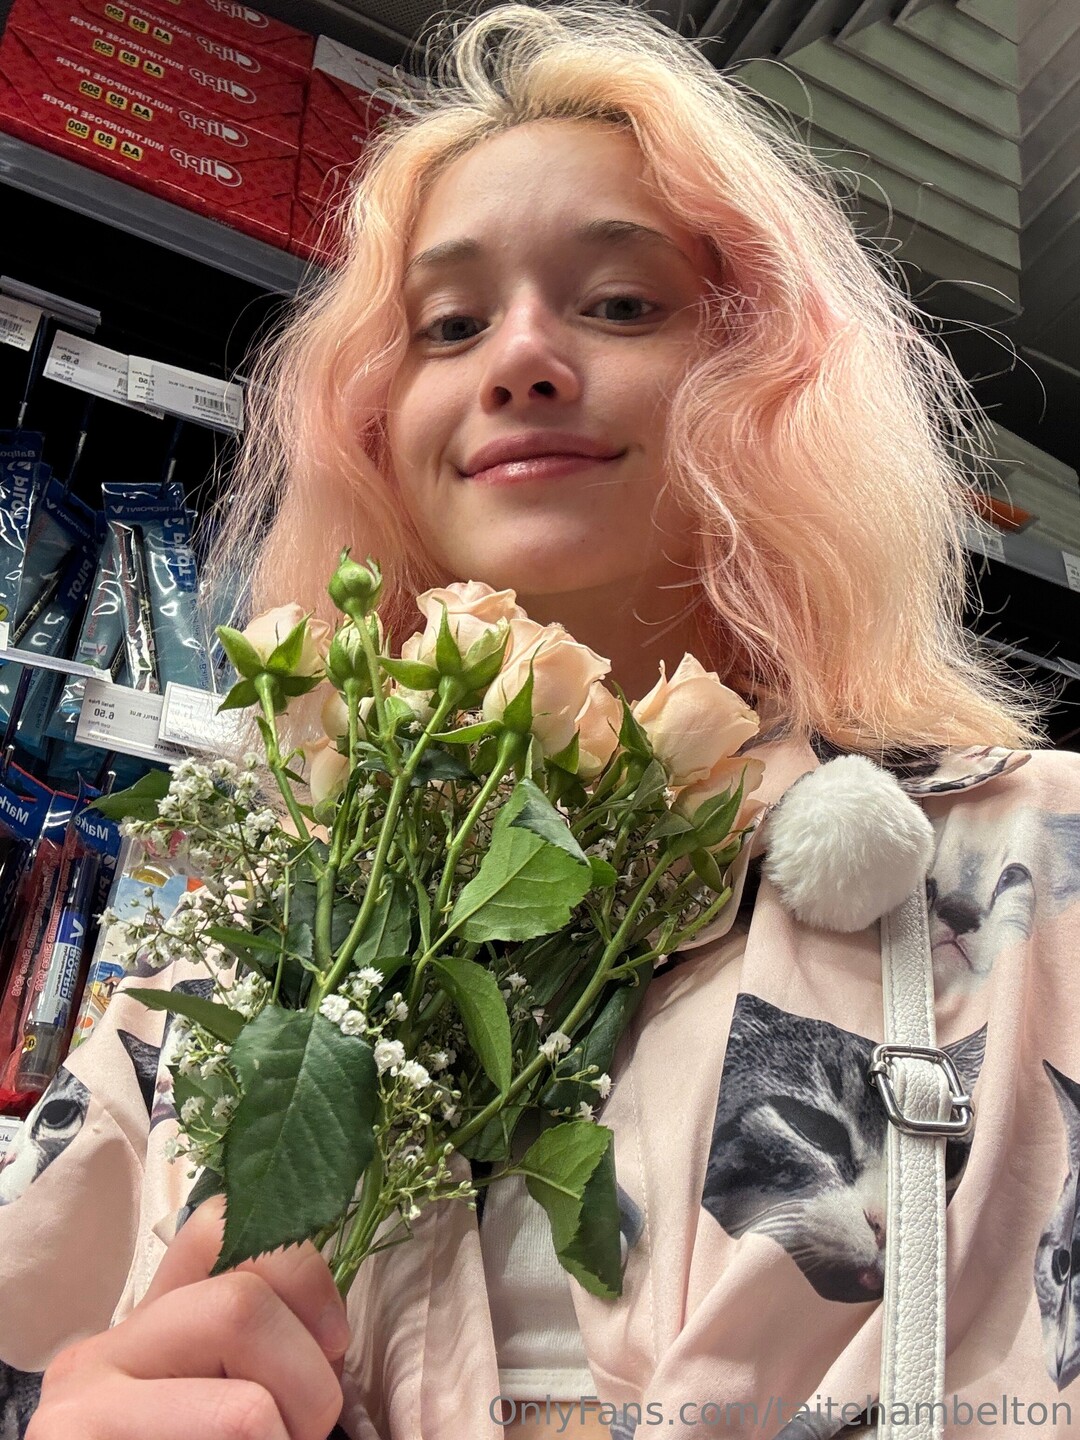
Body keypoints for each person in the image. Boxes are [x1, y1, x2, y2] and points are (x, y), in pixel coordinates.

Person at [4, 3, 1079, 1437]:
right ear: (374, 421)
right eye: (449, 326)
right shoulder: (223, 966)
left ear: (768, 379)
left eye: (622, 304)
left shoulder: (1031, 872)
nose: (521, 359)